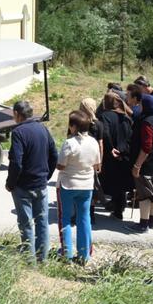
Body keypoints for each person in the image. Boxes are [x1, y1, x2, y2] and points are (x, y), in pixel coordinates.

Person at [5, 100, 58, 262]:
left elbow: (16, 162)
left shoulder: (18, 133)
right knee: (42, 222)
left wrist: (10, 183)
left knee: (26, 224)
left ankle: (30, 262)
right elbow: (54, 155)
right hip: (40, 184)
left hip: (23, 187)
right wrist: (46, 176)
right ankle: (43, 259)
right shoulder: (43, 129)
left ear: (16, 114)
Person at [56, 111, 101, 264]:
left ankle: (66, 253)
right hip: (87, 185)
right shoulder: (93, 142)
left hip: (68, 184)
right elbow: (97, 165)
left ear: (73, 126)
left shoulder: (70, 143)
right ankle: (84, 254)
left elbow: (60, 165)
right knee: (84, 218)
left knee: (66, 219)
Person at [129, 93, 153, 232]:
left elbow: (146, 147)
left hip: (145, 163)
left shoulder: (147, 123)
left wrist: (137, 165)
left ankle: (143, 223)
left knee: (144, 194)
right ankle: (152, 220)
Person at [99, 91, 133, 218]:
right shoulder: (125, 116)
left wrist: (111, 148)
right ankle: (119, 207)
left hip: (111, 153)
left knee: (112, 181)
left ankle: (115, 206)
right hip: (124, 152)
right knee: (121, 181)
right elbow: (130, 134)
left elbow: (106, 133)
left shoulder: (105, 116)